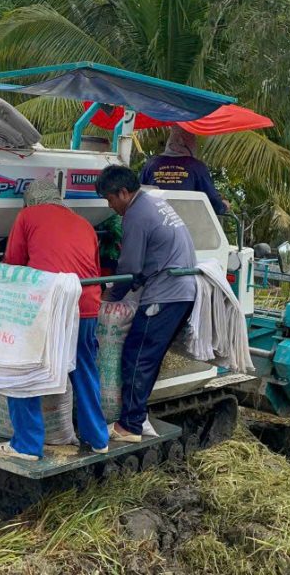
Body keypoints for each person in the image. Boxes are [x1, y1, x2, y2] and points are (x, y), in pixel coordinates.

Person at [0, 177, 110, 460]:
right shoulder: (83, 223)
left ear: (30, 200)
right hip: (86, 305)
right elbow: (91, 266)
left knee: (23, 367)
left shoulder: (28, 215)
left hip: (49, 305)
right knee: (84, 369)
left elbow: (14, 264)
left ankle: (27, 445)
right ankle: (98, 439)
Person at [95, 165, 197, 443]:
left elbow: (129, 267)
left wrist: (110, 297)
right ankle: (136, 416)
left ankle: (129, 426)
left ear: (124, 193)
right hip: (181, 291)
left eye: (110, 199)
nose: (110, 205)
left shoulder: (136, 215)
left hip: (165, 295)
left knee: (137, 357)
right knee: (148, 358)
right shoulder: (154, 202)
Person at [140, 125, 230, 214]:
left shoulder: (151, 164)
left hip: (155, 219)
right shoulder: (197, 167)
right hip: (187, 224)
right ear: (189, 143)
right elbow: (213, 202)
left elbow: (139, 194)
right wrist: (223, 206)